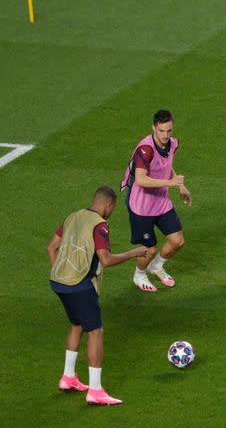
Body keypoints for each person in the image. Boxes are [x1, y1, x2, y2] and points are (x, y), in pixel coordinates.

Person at [47, 186, 148, 405]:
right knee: (96, 331)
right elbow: (106, 260)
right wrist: (134, 253)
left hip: (58, 282)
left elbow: (51, 248)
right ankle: (95, 390)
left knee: (77, 324)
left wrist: (61, 273)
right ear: (108, 205)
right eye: (112, 208)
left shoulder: (72, 216)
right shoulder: (100, 225)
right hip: (79, 285)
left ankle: (68, 377)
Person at [121, 109, 192, 292]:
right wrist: (171, 183)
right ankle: (139, 275)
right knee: (149, 250)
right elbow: (140, 179)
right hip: (141, 207)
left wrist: (180, 186)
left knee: (178, 241)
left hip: (161, 203)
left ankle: (156, 266)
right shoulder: (145, 149)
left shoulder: (172, 144)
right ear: (153, 127)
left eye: (169, 130)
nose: (166, 135)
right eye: (161, 131)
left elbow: (166, 164)